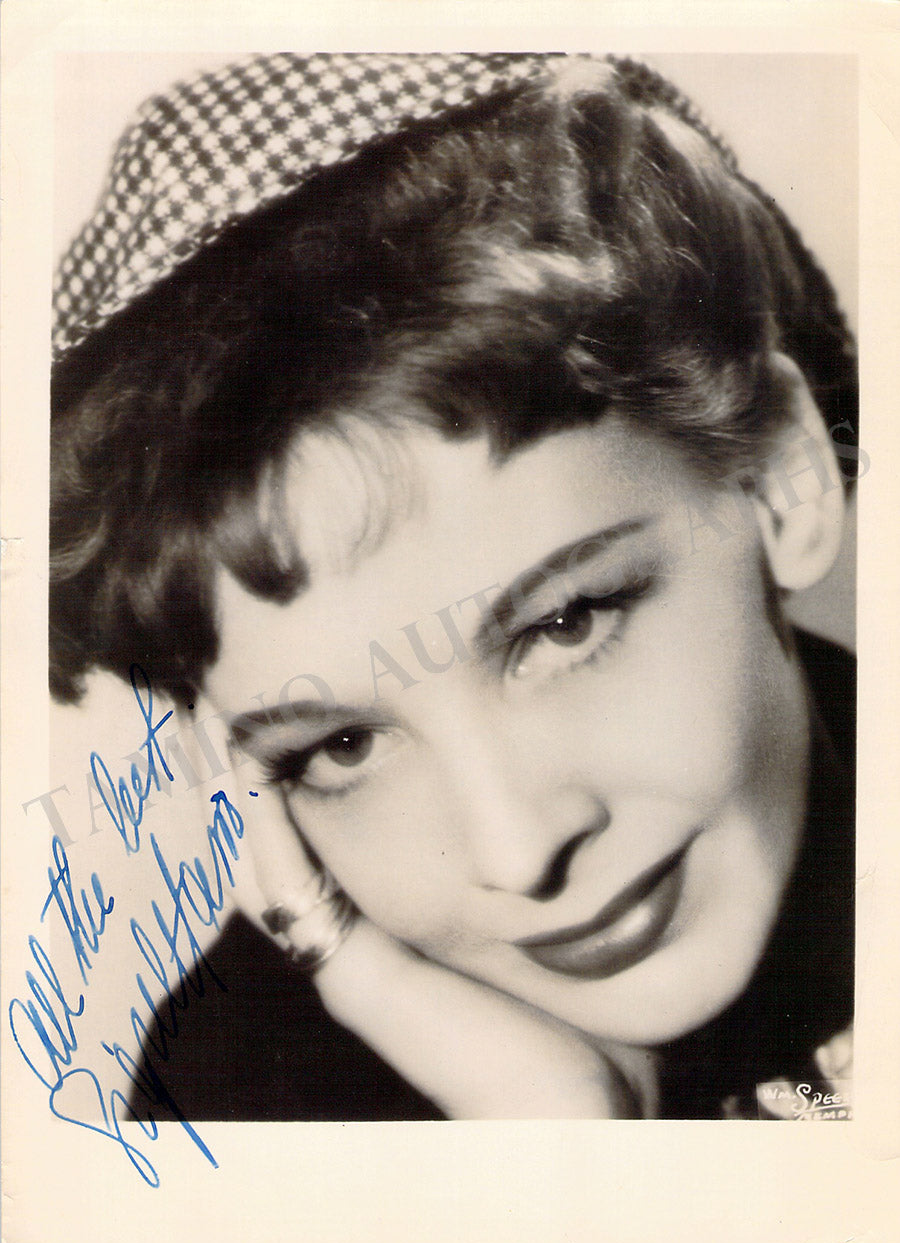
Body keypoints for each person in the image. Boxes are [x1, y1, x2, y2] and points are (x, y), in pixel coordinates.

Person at [50, 52, 857, 1120]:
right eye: (339, 746)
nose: (516, 853)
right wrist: (559, 1146)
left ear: (778, 481)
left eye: (564, 625)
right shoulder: (236, 1099)